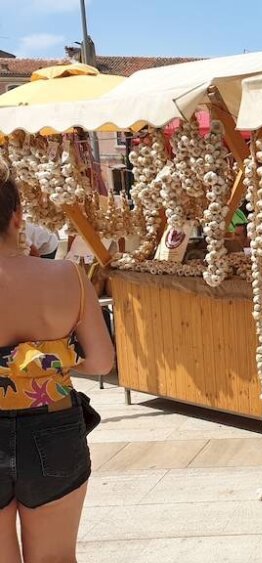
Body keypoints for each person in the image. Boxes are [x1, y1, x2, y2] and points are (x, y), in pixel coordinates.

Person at [0, 167, 114, 562]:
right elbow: (101, 362)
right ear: (18, 217)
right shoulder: (68, 275)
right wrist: (47, 359)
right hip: (53, 426)